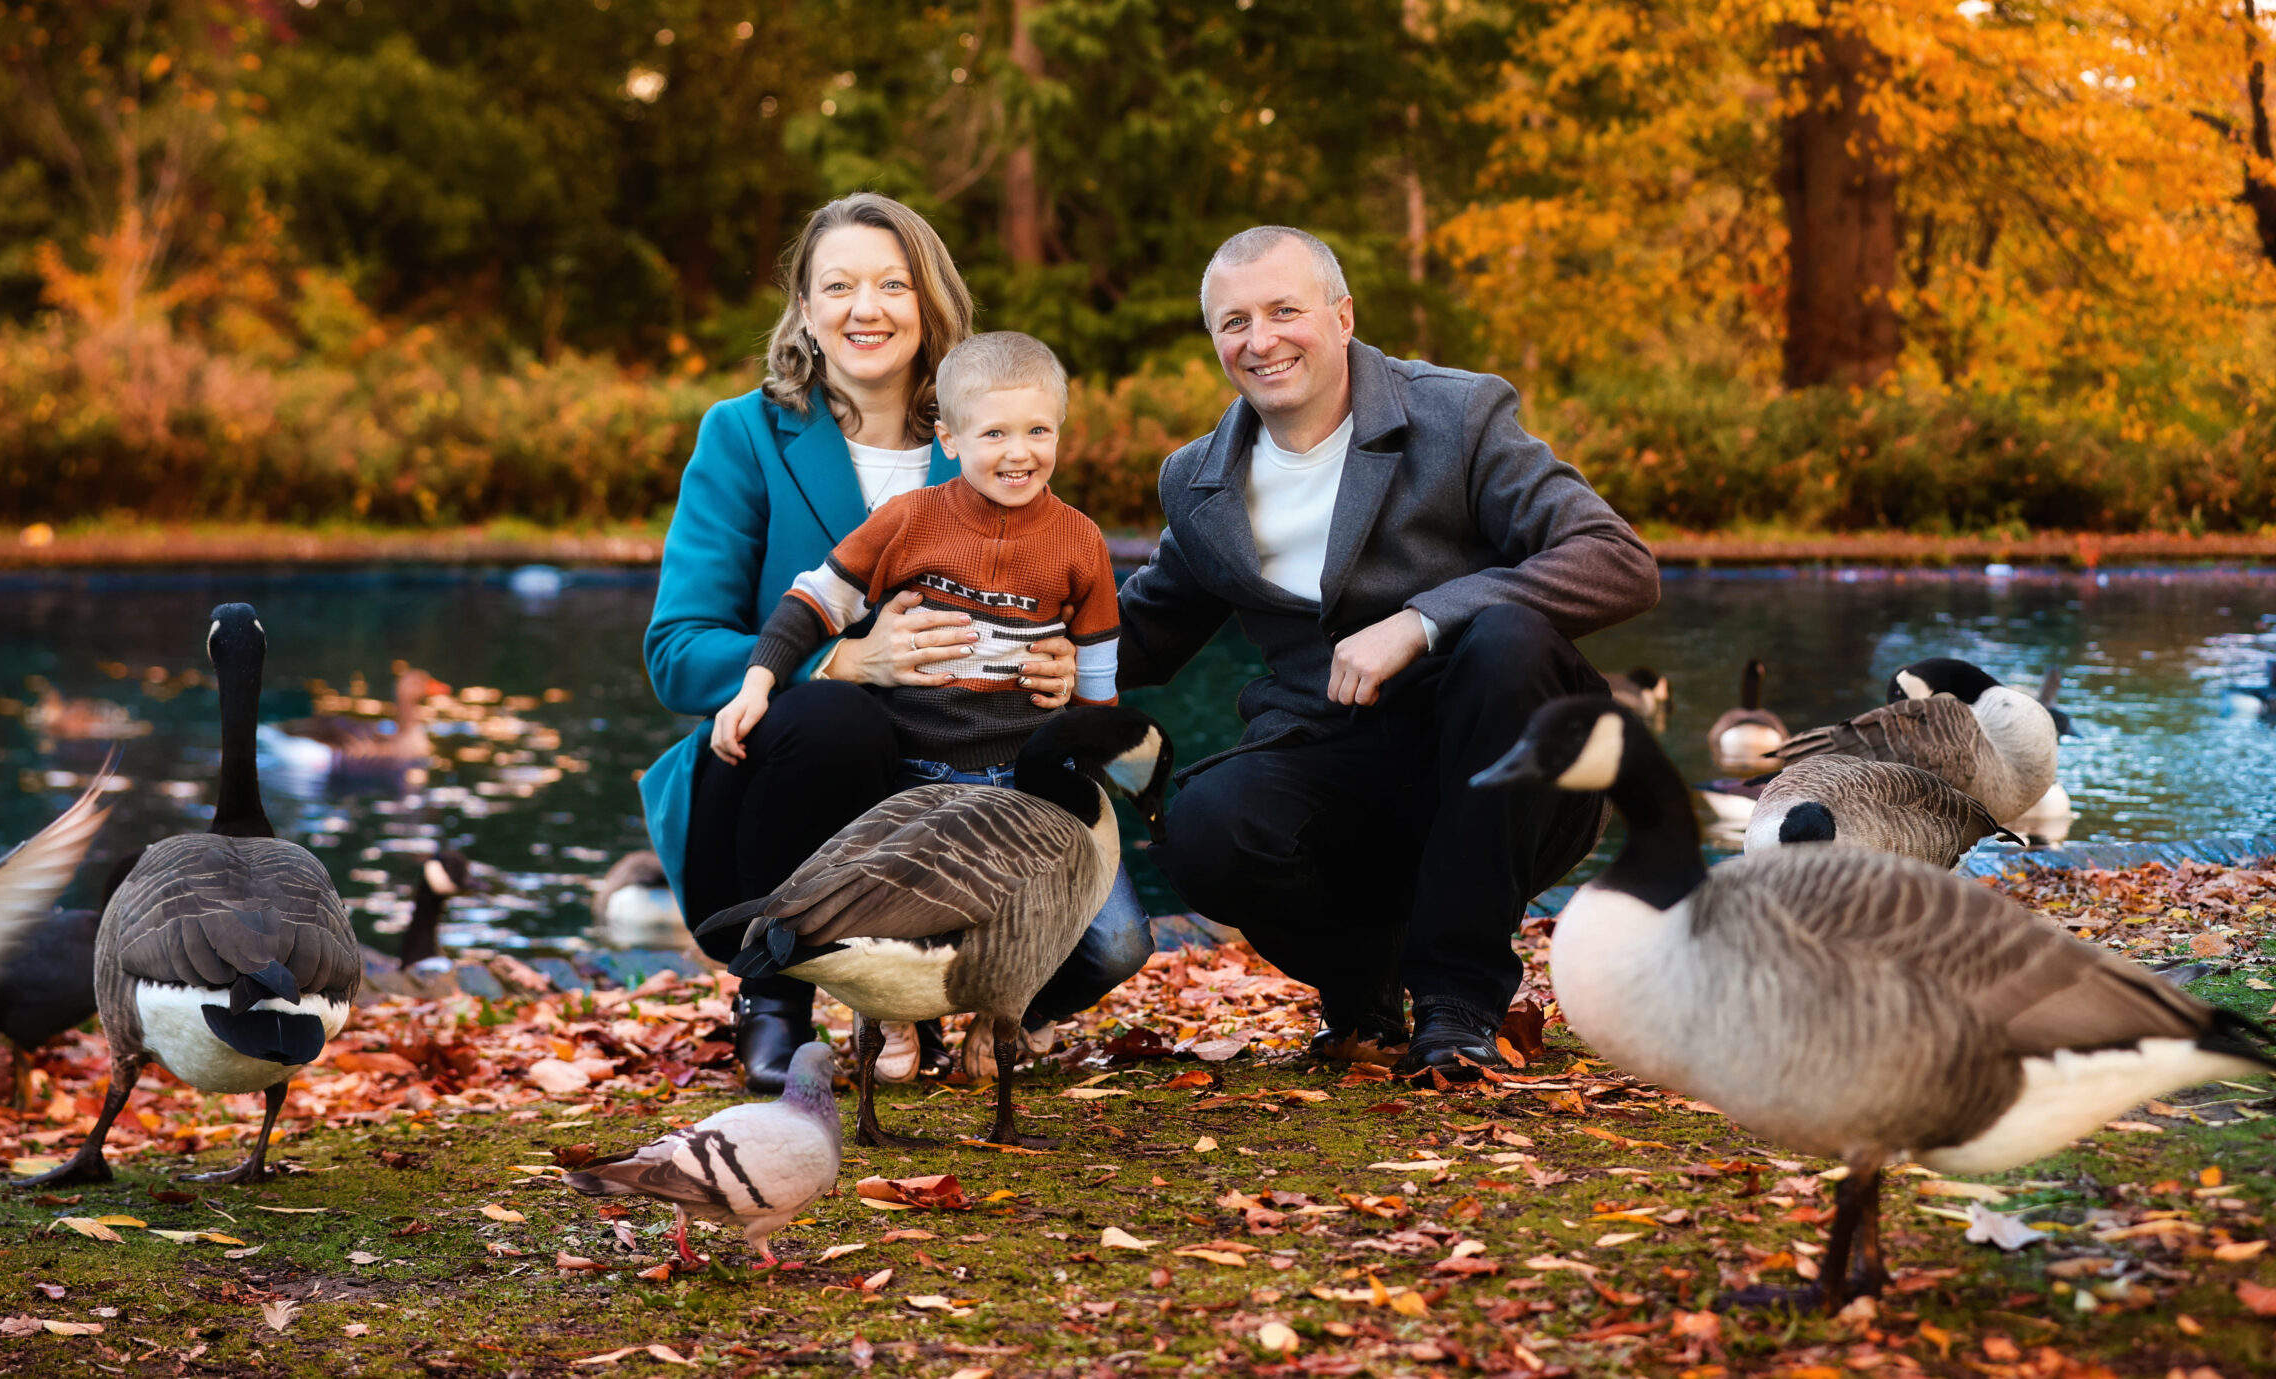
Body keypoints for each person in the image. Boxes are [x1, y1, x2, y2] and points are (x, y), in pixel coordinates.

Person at [1118, 225, 1660, 1078]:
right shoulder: (1197, 478)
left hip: (1498, 755)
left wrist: (1423, 619)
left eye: (1284, 310)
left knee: (1508, 637)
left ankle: (1457, 1001)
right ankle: (1361, 981)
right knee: (1203, 827)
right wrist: (991, 647)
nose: (1259, 340)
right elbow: (1139, 636)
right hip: (1337, 762)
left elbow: (1617, 559)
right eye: (1233, 322)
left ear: (1342, 316)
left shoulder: (1458, 413)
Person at [640, 195, 1148, 1093]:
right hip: (784, 767)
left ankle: (965, 1002)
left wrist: (1064, 663)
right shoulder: (744, 435)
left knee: (1111, 944)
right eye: (837, 285)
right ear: (804, 306)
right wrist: (842, 658)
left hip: (970, 770)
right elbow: (678, 651)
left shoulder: (988, 434)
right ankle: (775, 1000)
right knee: (839, 717)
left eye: (891, 284)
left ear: (931, 303)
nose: (864, 308)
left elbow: (1073, 593)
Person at [710, 330, 1123, 779]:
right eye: (994, 433)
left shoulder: (1081, 539)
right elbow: (816, 600)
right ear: (949, 440)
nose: (1019, 452)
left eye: (1038, 431)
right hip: (911, 767)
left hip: (1032, 764)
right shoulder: (911, 518)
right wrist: (756, 684)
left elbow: (1097, 665)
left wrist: (1091, 772)